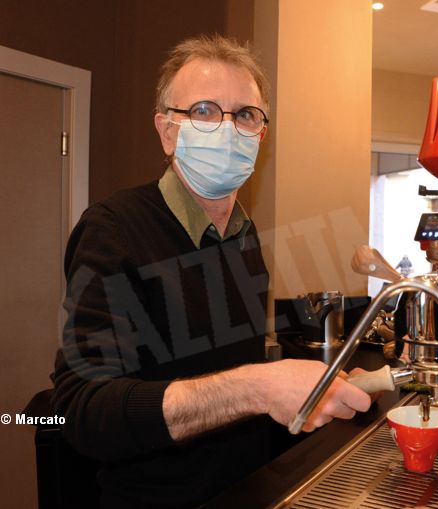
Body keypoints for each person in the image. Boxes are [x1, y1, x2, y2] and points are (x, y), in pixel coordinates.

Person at [51, 34, 372, 509]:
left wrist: (311, 386)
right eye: (202, 110)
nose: (226, 128)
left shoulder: (244, 236)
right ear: (166, 131)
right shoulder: (113, 229)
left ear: (260, 135)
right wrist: (259, 387)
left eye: (245, 114)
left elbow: (224, 369)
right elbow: (81, 411)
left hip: (249, 489)